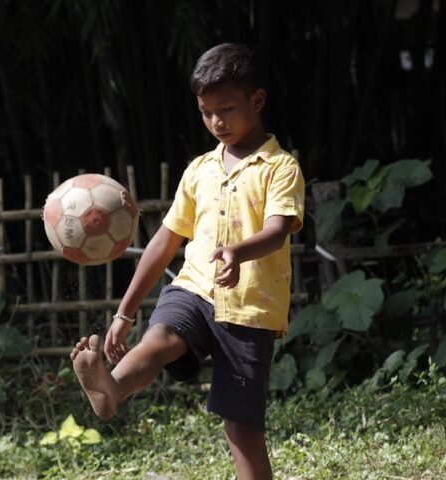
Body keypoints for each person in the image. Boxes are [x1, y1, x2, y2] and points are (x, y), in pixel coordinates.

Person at [70, 42, 305, 480]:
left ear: (257, 101)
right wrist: (124, 312)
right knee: (158, 339)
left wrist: (238, 251)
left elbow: (277, 229)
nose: (216, 121)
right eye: (205, 111)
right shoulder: (199, 169)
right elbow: (165, 240)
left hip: (250, 307)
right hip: (195, 287)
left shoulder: (280, 168)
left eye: (227, 109)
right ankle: (112, 388)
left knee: (241, 431)